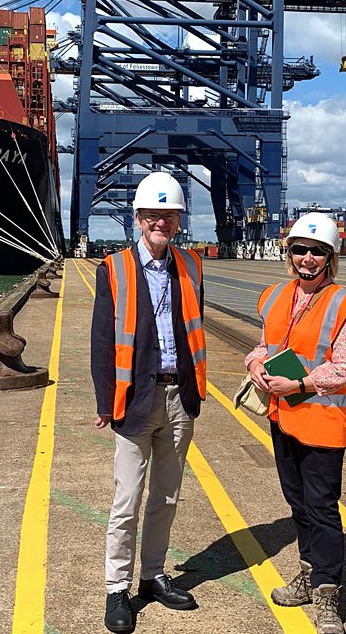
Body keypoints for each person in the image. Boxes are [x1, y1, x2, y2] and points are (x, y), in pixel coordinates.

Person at [92, 171, 207, 633]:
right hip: (135, 398)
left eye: (170, 215)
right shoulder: (114, 268)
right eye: (153, 215)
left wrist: (194, 391)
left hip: (180, 396)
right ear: (138, 218)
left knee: (166, 495)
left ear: (178, 220)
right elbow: (102, 340)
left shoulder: (192, 265)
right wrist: (106, 401)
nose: (161, 222)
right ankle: (116, 588)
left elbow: (193, 329)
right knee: (126, 500)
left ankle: (152, 575)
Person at [244, 212, 346, 634]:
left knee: (322, 508)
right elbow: (265, 345)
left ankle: (328, 595)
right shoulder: (276, 295)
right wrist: (255, 365)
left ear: (331, 258)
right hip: (283, 416)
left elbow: (345, 367)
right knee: (297, 504)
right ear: (290, 253)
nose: (308, 258)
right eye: (301, 250)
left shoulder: (343, 303)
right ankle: (308, 574)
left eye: (317, 251)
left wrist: (299, 383)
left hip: (323, 420)